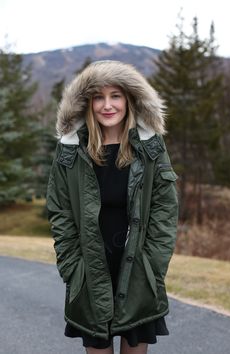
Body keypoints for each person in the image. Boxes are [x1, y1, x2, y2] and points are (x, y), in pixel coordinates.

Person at [46, 60, 179, 354]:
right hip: (90, 273)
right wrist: (72, 267)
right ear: (87, 103)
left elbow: (164, 211)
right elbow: (60, 212)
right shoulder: (71, 150)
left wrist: (153, 266)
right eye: (98, 97)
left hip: (138, 272)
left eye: (115, 95)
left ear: (129, 99)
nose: (107, 105)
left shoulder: (150, 146)